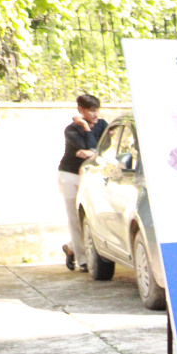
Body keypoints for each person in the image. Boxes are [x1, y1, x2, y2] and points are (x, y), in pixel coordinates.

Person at [57, 93, 107, 272]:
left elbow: (98, 149)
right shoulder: (71, 130)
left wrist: (92, 152)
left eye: (97, 110)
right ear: (81, 110)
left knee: (93, 216)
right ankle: (83, 259)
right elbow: (92, 148)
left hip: (91, 175)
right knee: (75, 218)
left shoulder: (102, 125)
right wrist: (85, 127)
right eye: (91, 110)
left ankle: (71, 247)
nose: (95, 114)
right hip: (70, 175)